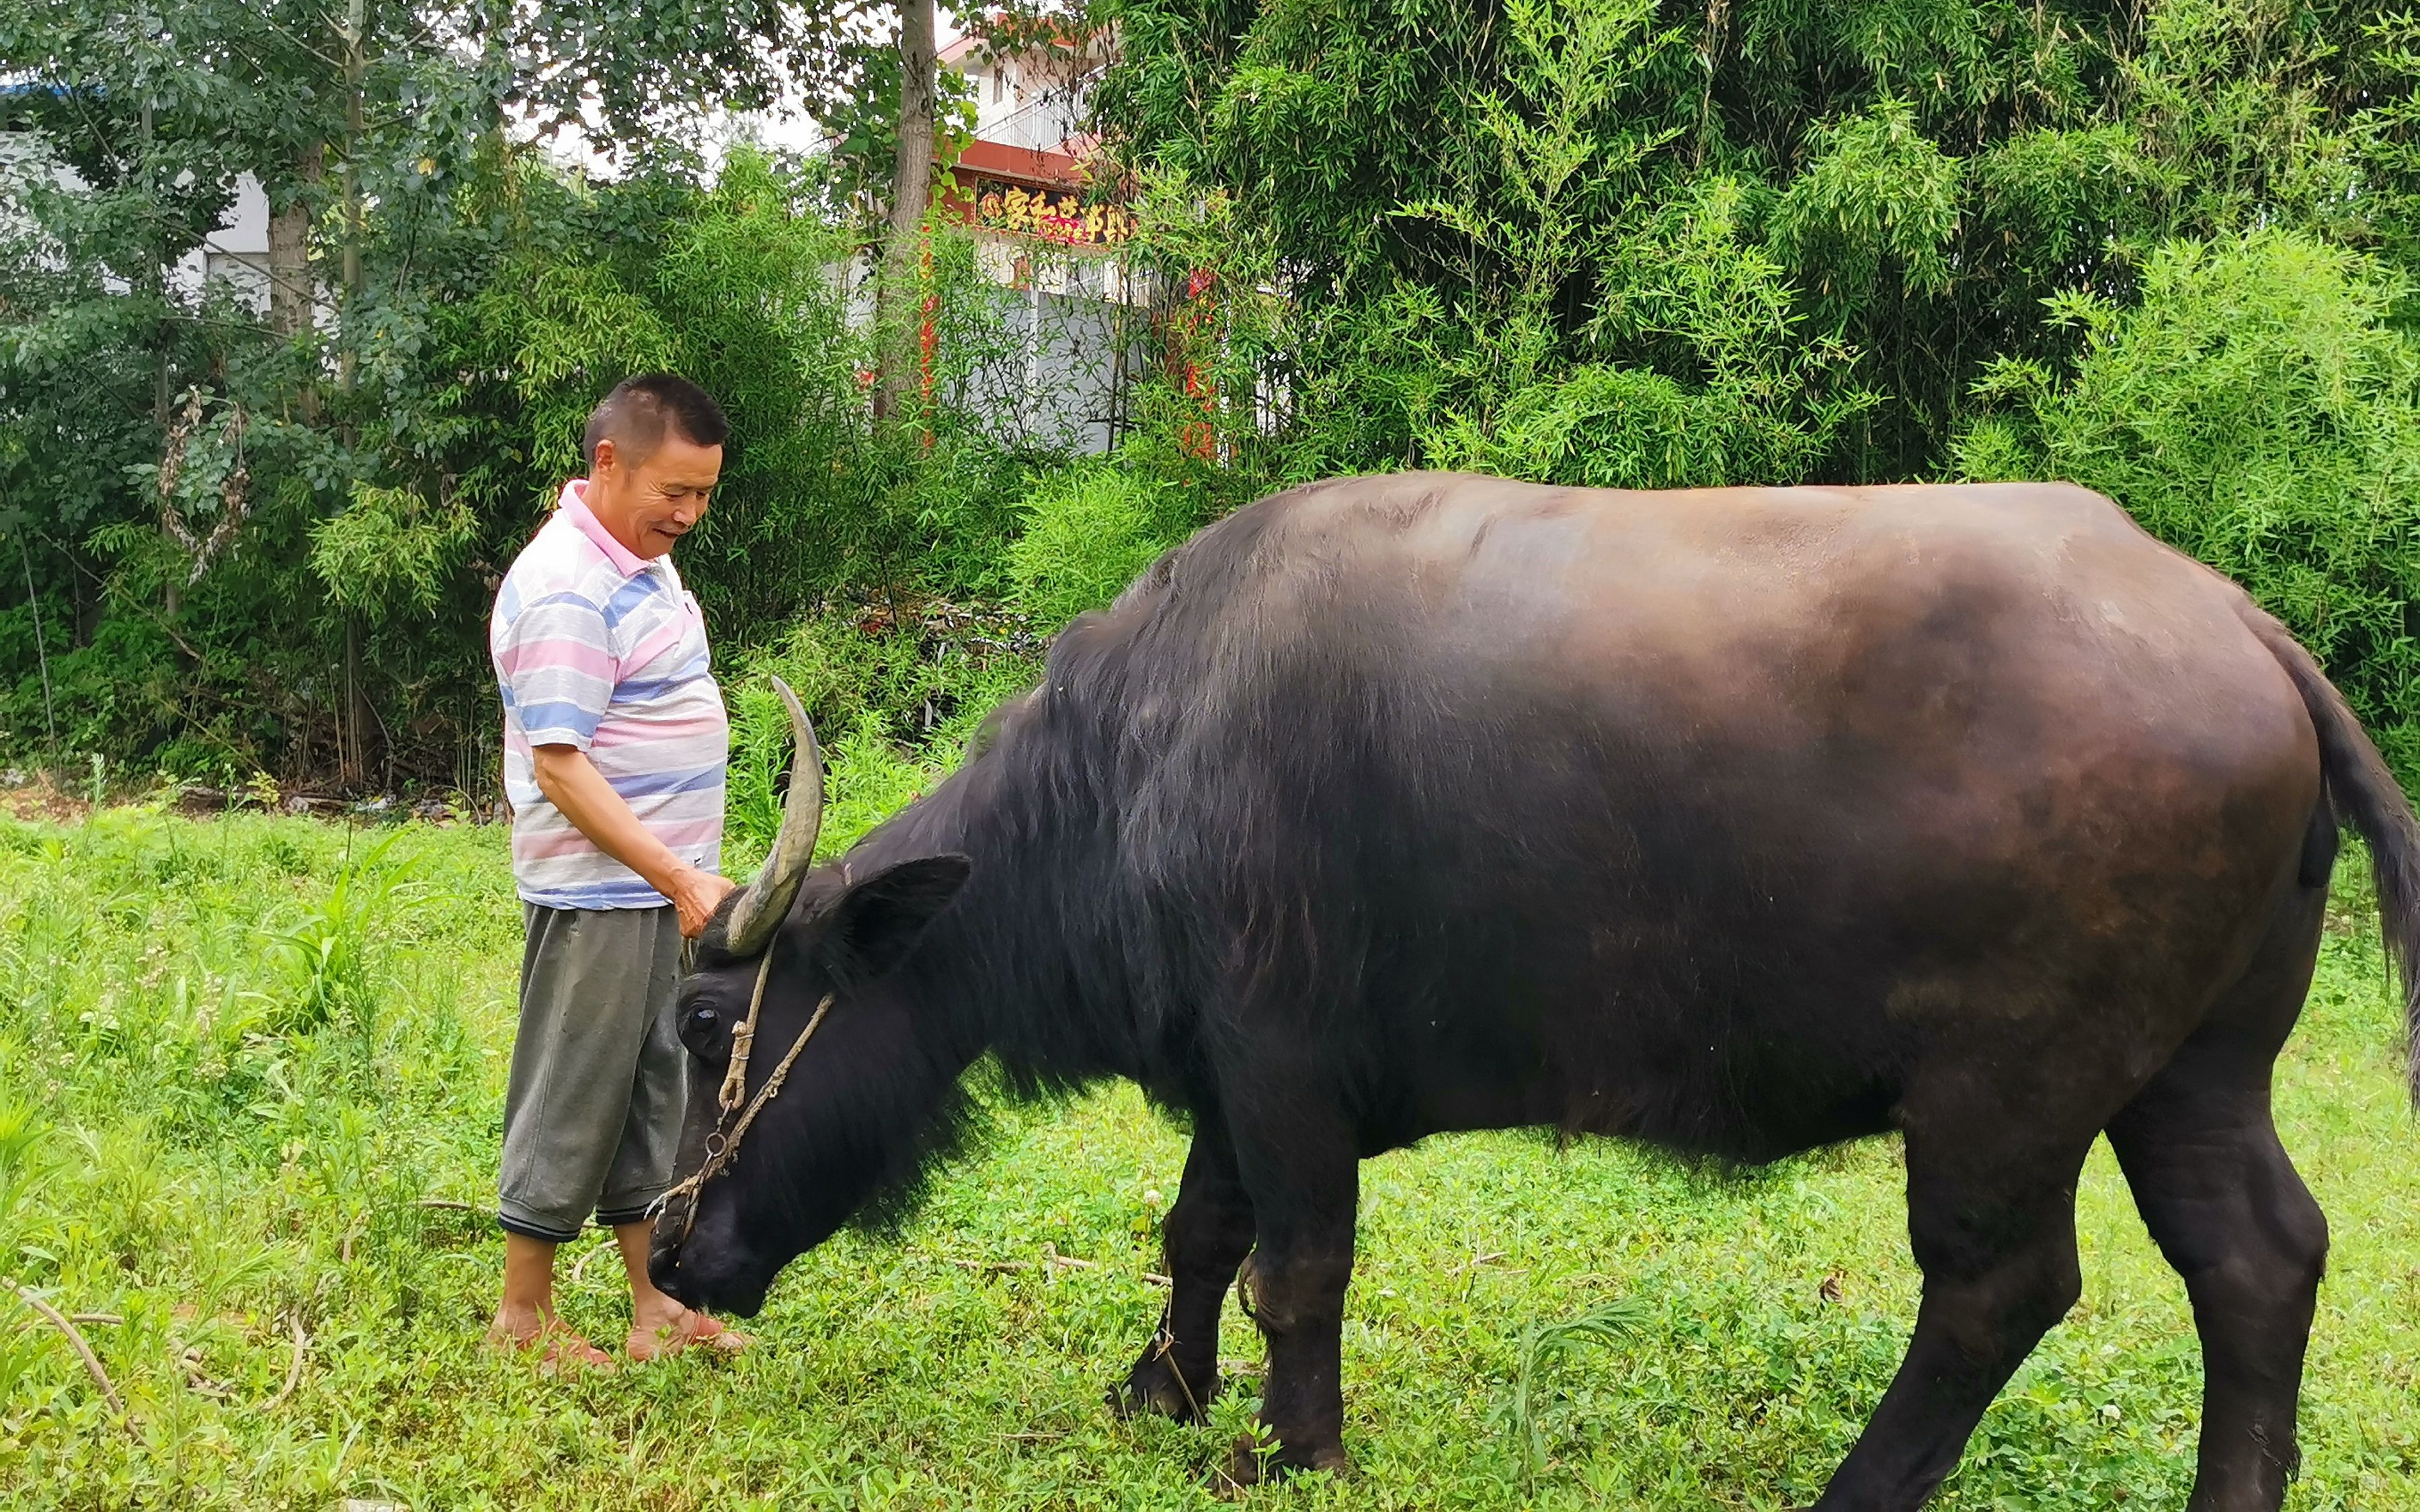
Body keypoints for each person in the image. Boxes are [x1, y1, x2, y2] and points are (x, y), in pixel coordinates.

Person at [485, 373, 748, 1369]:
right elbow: (559, 764)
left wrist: (680, 874)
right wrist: (680, 878)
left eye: (706, 494)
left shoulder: (638, 558)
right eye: (675, 492)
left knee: (652, 1092)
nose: (689, 514)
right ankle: (524, 1318)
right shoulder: (565, 585)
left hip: (650, 889)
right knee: (574, 1086)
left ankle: (651, 1305)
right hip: (601, 893)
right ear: (608, 463)